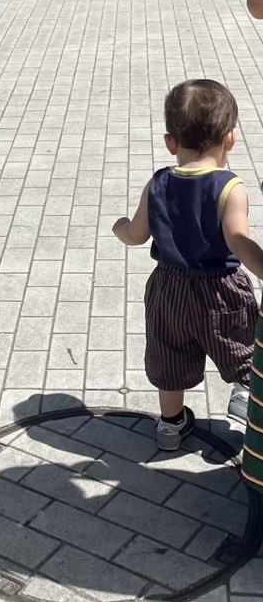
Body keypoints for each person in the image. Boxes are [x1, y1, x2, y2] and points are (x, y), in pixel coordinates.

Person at [112, 79, 262, 450]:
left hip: (169, 290)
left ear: (171, 142)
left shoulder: (159, 183)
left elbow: (136, 234)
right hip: (221, 290)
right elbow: (238, 240)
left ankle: (170, 426)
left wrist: (120, 228)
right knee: (244, 348)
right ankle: (246, 396)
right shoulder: (230, 187)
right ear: (230, 139)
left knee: (170, 358)